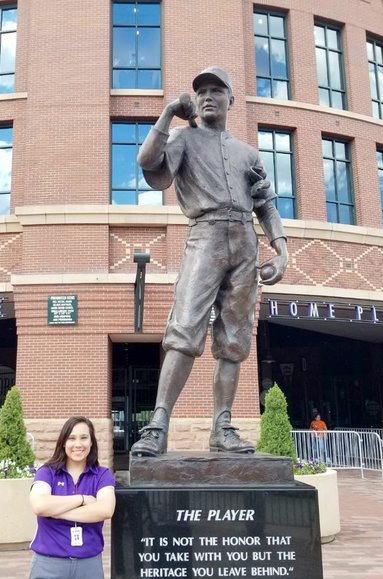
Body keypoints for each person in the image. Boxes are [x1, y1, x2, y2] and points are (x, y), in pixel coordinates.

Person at [130, 66, 289, 457]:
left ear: (230, 99)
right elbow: (147, 162)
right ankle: (158, 425)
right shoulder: (183, 138)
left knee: (234, 341)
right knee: (184, 330)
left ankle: (222, 426)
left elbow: (265, 203)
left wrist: (281, 247)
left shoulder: (247, 152)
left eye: (217, 90)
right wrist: (168, 113)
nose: (207, 97)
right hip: (206, 234)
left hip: (245, 242)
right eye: (201, 91)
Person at [29, 417, 116, 579]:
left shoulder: (102, 475)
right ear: (63, 442)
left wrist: (55, 511)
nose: (78, 444)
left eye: (84, 438)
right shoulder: (47, 472)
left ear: (91, 442)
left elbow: (105, 510)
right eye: (72, 438)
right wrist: (82, 499)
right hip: (48, 567)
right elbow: (39, 505)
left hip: (88, 569)